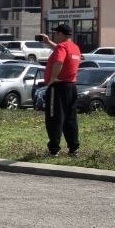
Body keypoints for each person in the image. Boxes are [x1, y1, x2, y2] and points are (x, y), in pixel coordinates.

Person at [41, 25, 83, 157]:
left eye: (56, 34)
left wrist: (53, 78)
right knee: (70, 118)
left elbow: (59, 61)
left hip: (58, 87)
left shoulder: (62, 47)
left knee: (54, 118)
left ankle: (54, 150)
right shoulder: (75, 48)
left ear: (60, 34)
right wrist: (48, 43)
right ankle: (73, 149)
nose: (55, 36)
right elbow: (63, 53)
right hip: (71, 87)